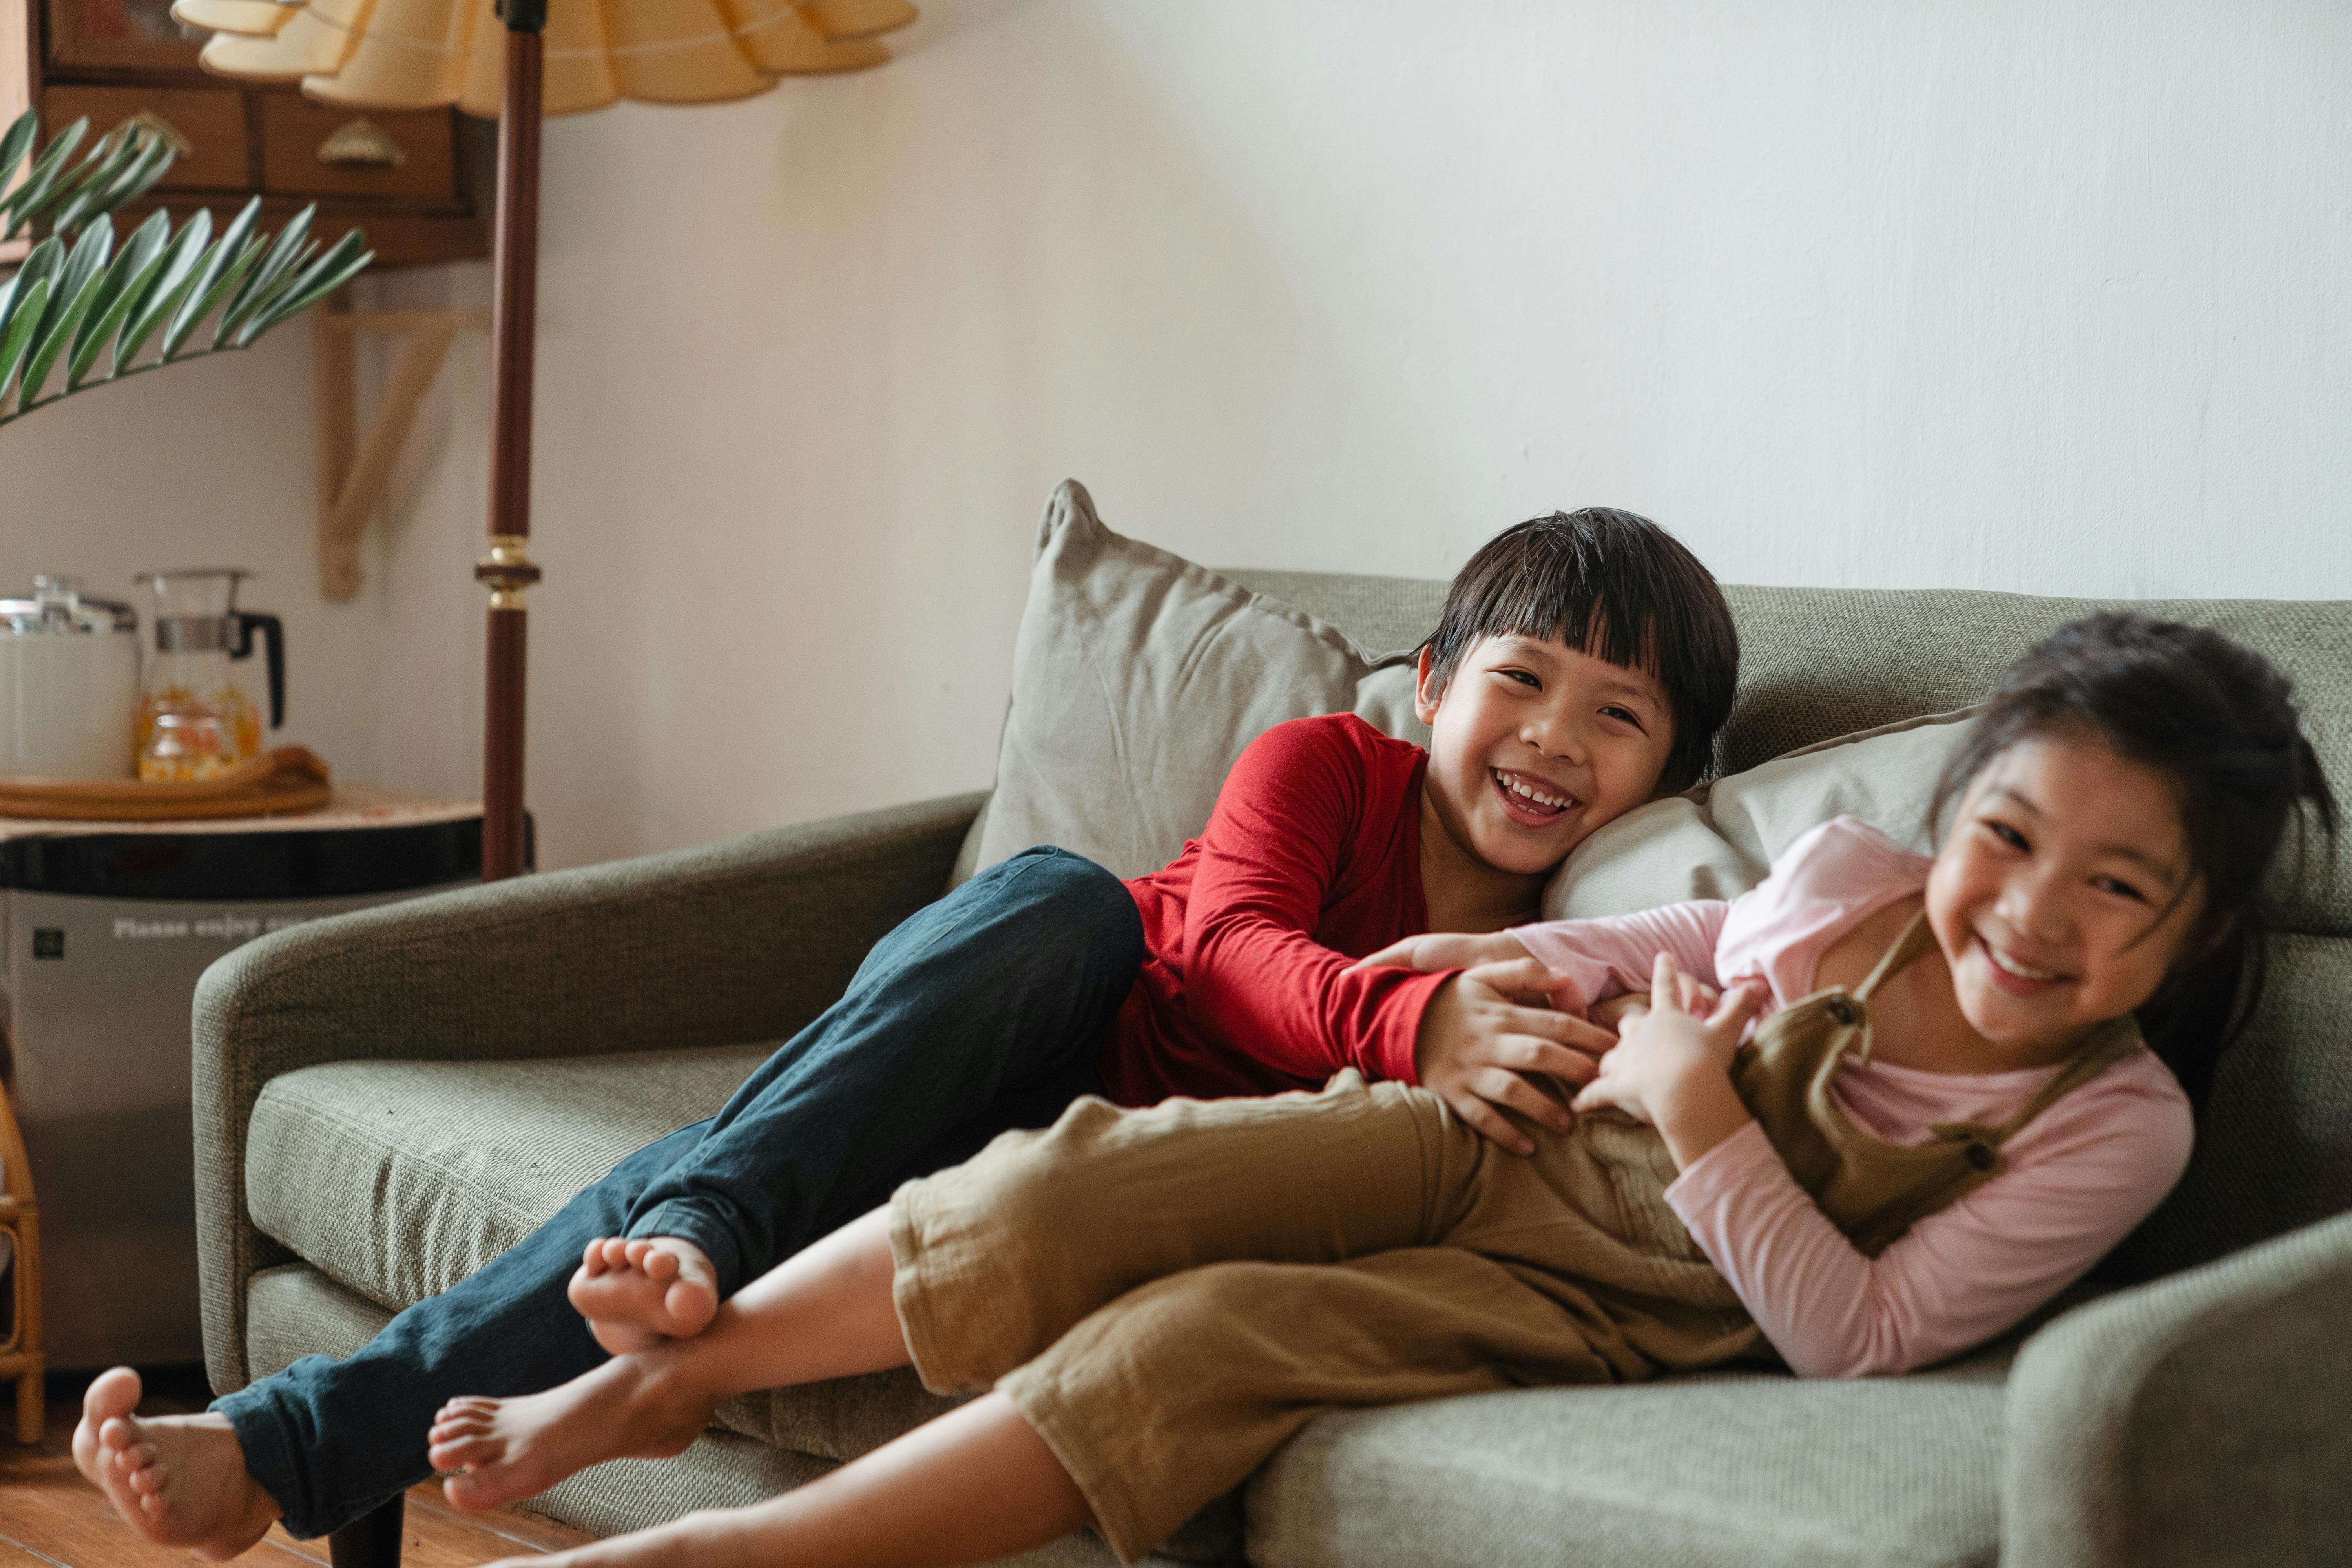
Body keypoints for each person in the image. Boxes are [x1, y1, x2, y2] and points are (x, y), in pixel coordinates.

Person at [353, 612, 2320, 1568]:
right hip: (1490, 1128)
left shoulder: (2109, 1123)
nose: (2029, 913)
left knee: (1195, 1340)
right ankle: (663, 1378)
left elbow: (1861, 1336)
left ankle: (708, 1557)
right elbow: (1680, 943)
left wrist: (1700, 1112)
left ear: (2200, 928)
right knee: (1088, 1181)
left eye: (2115, 888)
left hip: (1604, 1295)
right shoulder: (1850, 886)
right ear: (1951, 817)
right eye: (2005, 840)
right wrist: (1487, 961)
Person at [72, 507, 1741, 1556]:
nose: (1552, 739)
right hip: (1022, 1022)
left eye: (1616, 717)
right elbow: (1231, 952)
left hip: (1083, 1176)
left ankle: (361, 1415)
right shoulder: (1324, 766)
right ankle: (402, 1388)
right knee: (1063, 901)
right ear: (1431, 681)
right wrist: (1417, 1016)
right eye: (1520, 680)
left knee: (723, 1179)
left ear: (1671, 777)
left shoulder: (1595, 941)